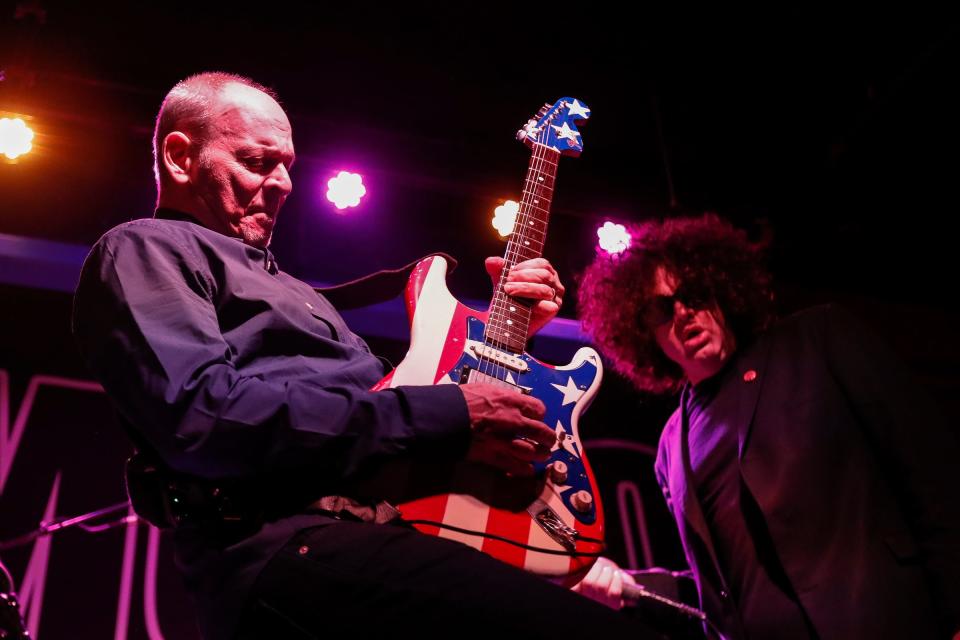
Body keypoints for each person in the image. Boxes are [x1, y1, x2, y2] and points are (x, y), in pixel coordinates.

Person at [72, 72, 659, 639]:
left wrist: (506, 340)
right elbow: (205, 417)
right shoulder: (145, 248)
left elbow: (383, 420)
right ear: (179, 156)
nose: (282, 184)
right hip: (287, 542)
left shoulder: (298, 294)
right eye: (257, 161)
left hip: (387, 535)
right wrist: (453, 412)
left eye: (288, 166)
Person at [575, 213, 960, 638]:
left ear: (721, 287)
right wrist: (630, 587)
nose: (684, 313)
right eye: (661, 309)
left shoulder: (819, 340)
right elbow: (720, 595)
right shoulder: (671, 446)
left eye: (696, 293)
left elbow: (934, 479)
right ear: (642, 331)